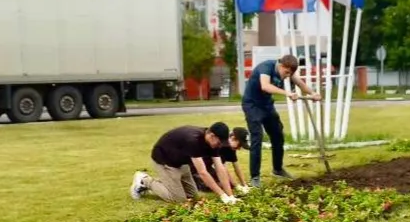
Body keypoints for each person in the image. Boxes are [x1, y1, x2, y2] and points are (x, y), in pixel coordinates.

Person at [242, 54, 320, 188]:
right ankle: (255, 177)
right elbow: (265, 86)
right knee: (257, 137)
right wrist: (287, 93)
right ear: (281, 65)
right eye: (286, 72)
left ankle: (277, 169)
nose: (287, 76)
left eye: (290, 74)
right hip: (252, 105)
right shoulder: (266, 67)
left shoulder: (288, 71)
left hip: (267, 105)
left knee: (278, 135)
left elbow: (300, 83)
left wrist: (313, 94)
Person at [130, 121, 239, 204]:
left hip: (181, 162)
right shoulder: (193, 140)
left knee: (193, 196)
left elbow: (220, 169)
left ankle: (166, 183)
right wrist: (222, 196)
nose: (219, 145)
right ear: (212, 135)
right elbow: (203, 172)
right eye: (219, 142)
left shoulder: (213, 143)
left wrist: (230, 196)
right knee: (178, 199)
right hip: (165, 160)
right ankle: (144, 180)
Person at [190, 127, 251, 194]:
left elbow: (236, 166)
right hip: (196, 168)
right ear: (233, 138)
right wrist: (237, 186)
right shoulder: (222, 145)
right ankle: (196, 182)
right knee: (217, 184)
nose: (239, 148)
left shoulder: (231, 147)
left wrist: (244, 184)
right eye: (240, 145)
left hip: (208, 167)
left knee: (228, 184)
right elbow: (223, 169)